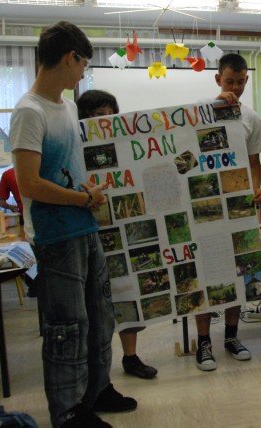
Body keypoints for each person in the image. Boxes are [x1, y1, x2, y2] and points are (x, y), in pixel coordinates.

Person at [10, 21, 136, 427]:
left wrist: (89, 193)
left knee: (99, 316)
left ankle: (97, 389)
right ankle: (69, 412)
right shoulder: (29, 112)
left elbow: (70, 168)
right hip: (56, 236)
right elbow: (29, 184)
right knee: (67, 327)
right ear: (70, 58)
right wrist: (83, 199)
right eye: (84, 64)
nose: (83, 73)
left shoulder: (66, 107)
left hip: (85, 226)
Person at [77, 89, 158, 381]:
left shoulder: (123, 145)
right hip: (89, 229)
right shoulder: (75, 147)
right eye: (99, 115)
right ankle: (92, 365)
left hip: (123, 228)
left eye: (111, 115)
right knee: (91, 302)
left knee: (127, 291)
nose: (106, 121)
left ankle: (131, 357)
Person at [193, 53, 261, 371]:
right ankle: (204, 342)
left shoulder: (251, 118)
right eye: (229, 81)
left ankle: (231, 337)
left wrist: (256, 187)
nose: (235, 87)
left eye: (240, 82)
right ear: (217, 79)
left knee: (238, 272)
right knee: (204, 275)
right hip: (205, 206)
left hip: (238, 208)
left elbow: (253, 163)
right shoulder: (199, 112)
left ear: (247, 81)